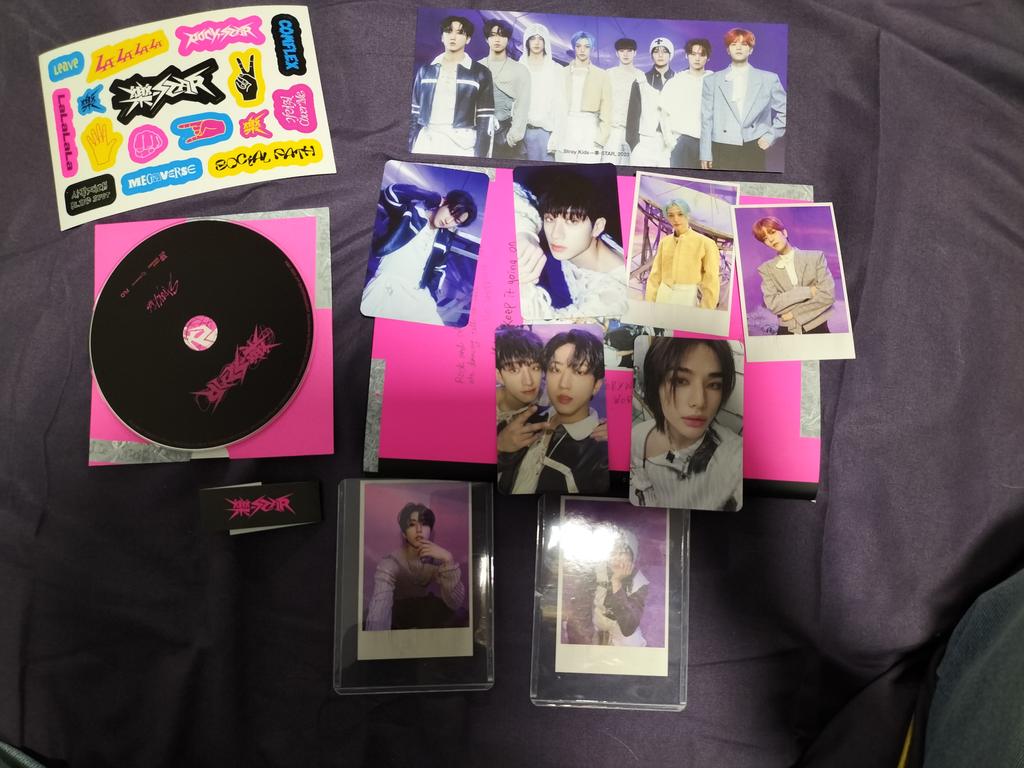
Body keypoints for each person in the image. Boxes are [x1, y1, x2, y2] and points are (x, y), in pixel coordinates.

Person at [631, 337, 742, 511]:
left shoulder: (735, 457)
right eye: (680, 381)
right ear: (656, 383)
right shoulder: (638, 435)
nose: (699, 401)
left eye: (714, 385)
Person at [498, 328, 608, 495]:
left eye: (579, 371)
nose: (563, 384)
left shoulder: (601, 454)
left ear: (596, 386)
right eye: (555, 369)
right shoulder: (525, 419)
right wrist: (499, 446)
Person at [360, 181, 478, 326]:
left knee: (435, 333)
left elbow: (439, 269)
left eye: (456, 220)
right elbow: (391, 194)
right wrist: (431, 196)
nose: (448, 221)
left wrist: (431, 296)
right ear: (444, 202)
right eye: (451, 212)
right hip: (387, 283)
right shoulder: (410, 213)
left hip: (418, 294)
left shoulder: (444, 237)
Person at [515, 170, 627, 320]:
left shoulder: (613, 296)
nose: (556, 234)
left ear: (597, 227)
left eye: (572, 221)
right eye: (550, 219)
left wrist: (522, 284)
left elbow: (549, 324)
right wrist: (524, 233)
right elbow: (516, 193)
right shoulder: (577, 247)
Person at [364, 502, 466, 630]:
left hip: (424, 612)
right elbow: (380, 610)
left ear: (431, 531)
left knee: (461, 615)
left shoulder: (437, 560)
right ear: (404, 534)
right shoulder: (390, 564)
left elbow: (455, 604)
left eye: (424, 524)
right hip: (398, 613)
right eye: (412, 525)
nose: (419, 530)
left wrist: (448, 559)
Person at [700, 28, 787, 172]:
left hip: (753, 144)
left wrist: (771, 136)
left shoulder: (768, 79)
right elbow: (706, 119)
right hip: (721, 145)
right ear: (728, 50)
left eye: (744, 44)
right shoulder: (712, 80)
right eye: (734, 44)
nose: (739, 48)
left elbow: (786, 110)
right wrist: (705, 152)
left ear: (751, 50)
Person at [409, 15, 495, 157]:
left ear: (468, 39)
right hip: (426, 141)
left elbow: (485, 119)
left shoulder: (480, 72)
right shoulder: (425, 71)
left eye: (460, 32)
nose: (453, 37)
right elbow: (414, 114)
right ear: (442, 37)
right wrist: (409, 148)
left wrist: (479, 157)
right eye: (448, 31)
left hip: (461, 144)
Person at [752, 215, 835, 334]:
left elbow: (828, 295)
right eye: (765, 238)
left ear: (784, 232)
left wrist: (793, 314)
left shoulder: (815, 257)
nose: (770, 239)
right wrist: (808, 291)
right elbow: (773, 304)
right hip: (786, 331)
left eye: (772, 232)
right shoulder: (766, 269)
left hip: (817, 327)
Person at [644, 198, 720, 309]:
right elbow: (655, 276)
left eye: (680, 214)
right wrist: (649, 304)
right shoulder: (664, 242)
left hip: (686, 298)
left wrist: (706, 311)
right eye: (671, 215)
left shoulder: (706, 243)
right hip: (662, 295)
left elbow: (711, 280)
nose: (675, 219)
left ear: (687, 215)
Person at [548, 31, 611, 163]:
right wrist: (555, 132)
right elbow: (555, 103)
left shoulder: (602, 75)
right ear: (574, 48)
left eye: (586, 46)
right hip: (566, 125)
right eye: (578, 46)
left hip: (590, 127)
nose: (582, 50)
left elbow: (607, 108)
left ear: (592, 49)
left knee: (588, 168)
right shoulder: (562, 73)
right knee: (565, 168)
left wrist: (602, 136)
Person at [478, 19, 530, 160]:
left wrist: (512, 136)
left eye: (502, 35)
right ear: (486, 39)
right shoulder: (476, 67)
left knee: (504, 172)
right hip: (479, 132)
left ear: (508, 39)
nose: (497, 39)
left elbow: (523, 106)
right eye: (493, 35)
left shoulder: (520, 70)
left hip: (506, 134)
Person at [659, 38, 713, 169]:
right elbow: (664, 114)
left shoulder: (715, 81)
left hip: (708, 143)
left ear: (708, 58)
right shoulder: (676, 82)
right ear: (686, 55)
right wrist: (671, 142)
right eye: (693, 54)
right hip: (682, 142)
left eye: (702, 54)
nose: (697, 58)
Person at [592, 527, 650, 646]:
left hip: (619, 625)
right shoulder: (595, 571)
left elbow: (628, 627)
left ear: (632, 557)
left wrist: (616, 582)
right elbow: (580, 610)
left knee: (632, 643)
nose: (617, 558)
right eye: (613, 553)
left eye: (622, 553)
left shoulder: (639, 582)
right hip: (595, 620)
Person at [517, 22, 564, 162]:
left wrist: (556, 136)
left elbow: (560, 105)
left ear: (546, 42)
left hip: (545, 133)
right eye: (532, 38)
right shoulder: (519, 66)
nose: (536, 42)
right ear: (527, 41)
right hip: (519, 132)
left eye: (540, 39)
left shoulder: (556, 69)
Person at [495, 325, 544, 437]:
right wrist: (500, 445)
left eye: (535, 368)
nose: (528, 381)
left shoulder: (546, 396)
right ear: (499, 376)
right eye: (514, 370)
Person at [603, 38, 645, 164]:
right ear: (617, 53)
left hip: (633, 131)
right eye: (622, 51)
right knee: (608, 165)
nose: (625, 54)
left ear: (635, 53)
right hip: (613, 130)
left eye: (629, 50)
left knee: (630, 166)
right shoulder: (609, 74)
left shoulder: (641, 76)